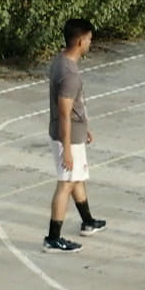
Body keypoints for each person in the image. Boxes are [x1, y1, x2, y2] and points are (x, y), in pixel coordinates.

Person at [45, 18, 105, 254]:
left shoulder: (60, 62)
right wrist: (67, 149)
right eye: (89, 39)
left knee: (77, 178)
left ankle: (88, 221)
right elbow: (64, 113)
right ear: (80, 41)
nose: (90, 43)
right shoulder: (70, 75)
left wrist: (84, 127)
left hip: (73, 133)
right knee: (66, 183)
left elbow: (73, 109)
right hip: (66, 137)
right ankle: (53, 238)